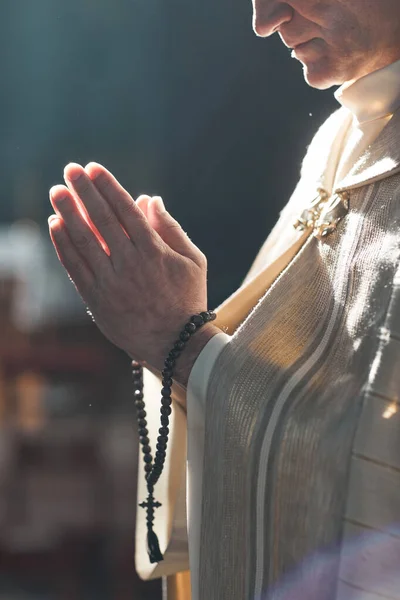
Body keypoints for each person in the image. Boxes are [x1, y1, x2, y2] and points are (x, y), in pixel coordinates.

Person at [48, 0, 400, 598]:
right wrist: (186, 331)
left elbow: (373, 475)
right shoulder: (343, 138)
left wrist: (175, 338)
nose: (264, 20)